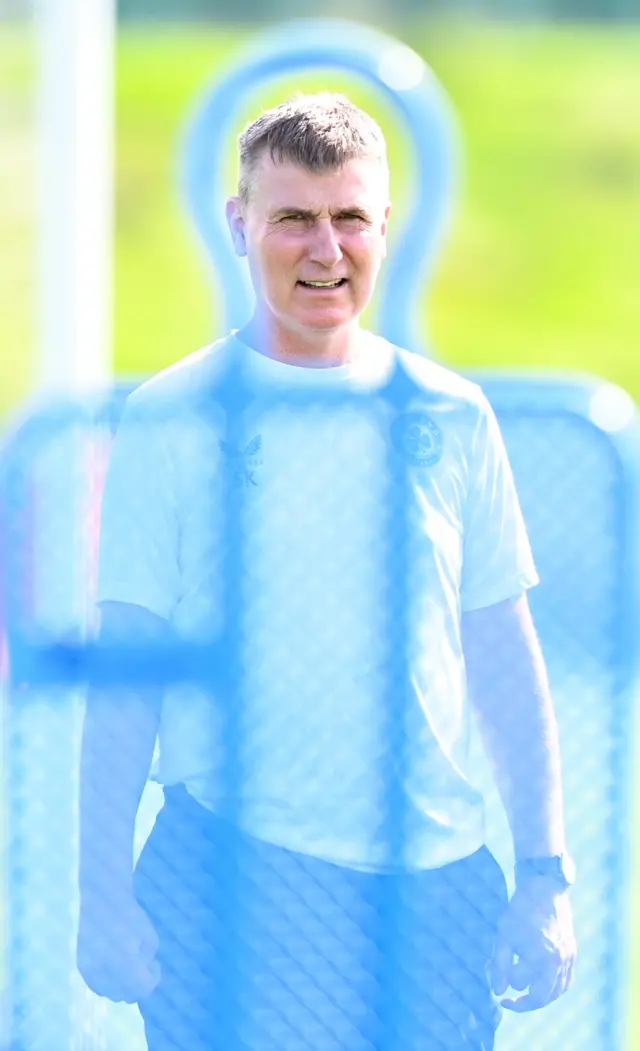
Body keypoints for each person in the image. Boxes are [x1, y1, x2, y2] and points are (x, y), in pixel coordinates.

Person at [77, 92, 577, 1051]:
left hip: (434, 890)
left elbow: (505, 662)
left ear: (385, 226)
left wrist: (546, 876)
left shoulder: (455, 415)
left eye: (350, 217)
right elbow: (130, 674)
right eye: (293, 218)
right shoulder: (171, 416)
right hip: (229, 872)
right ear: (239, 224)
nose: (325, 249)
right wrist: (102, 890)